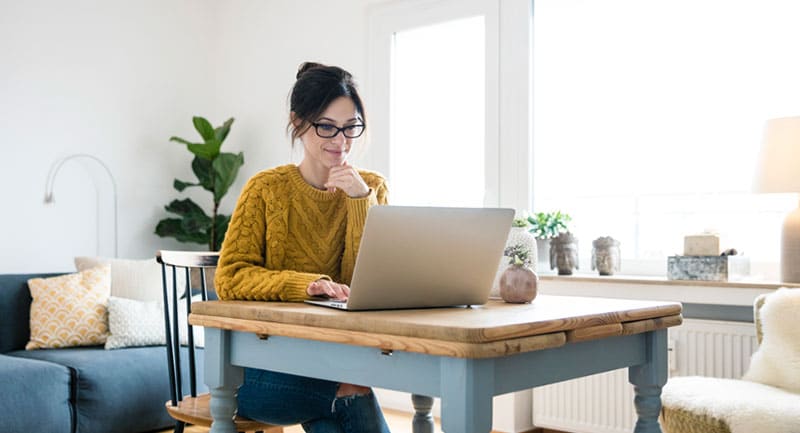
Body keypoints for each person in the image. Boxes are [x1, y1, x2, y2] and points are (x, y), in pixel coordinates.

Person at [214, 62, 391, 433]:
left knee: (338, 406)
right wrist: (303, 285)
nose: (341, 141)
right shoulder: (266, 190)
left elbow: (370, 285)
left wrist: (359, 201)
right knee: (352, 388)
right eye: (326, 126)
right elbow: (229, 277)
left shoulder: (370, 189)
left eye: (350, 127)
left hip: (336, 358)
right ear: (298, 123)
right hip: (260, 371)